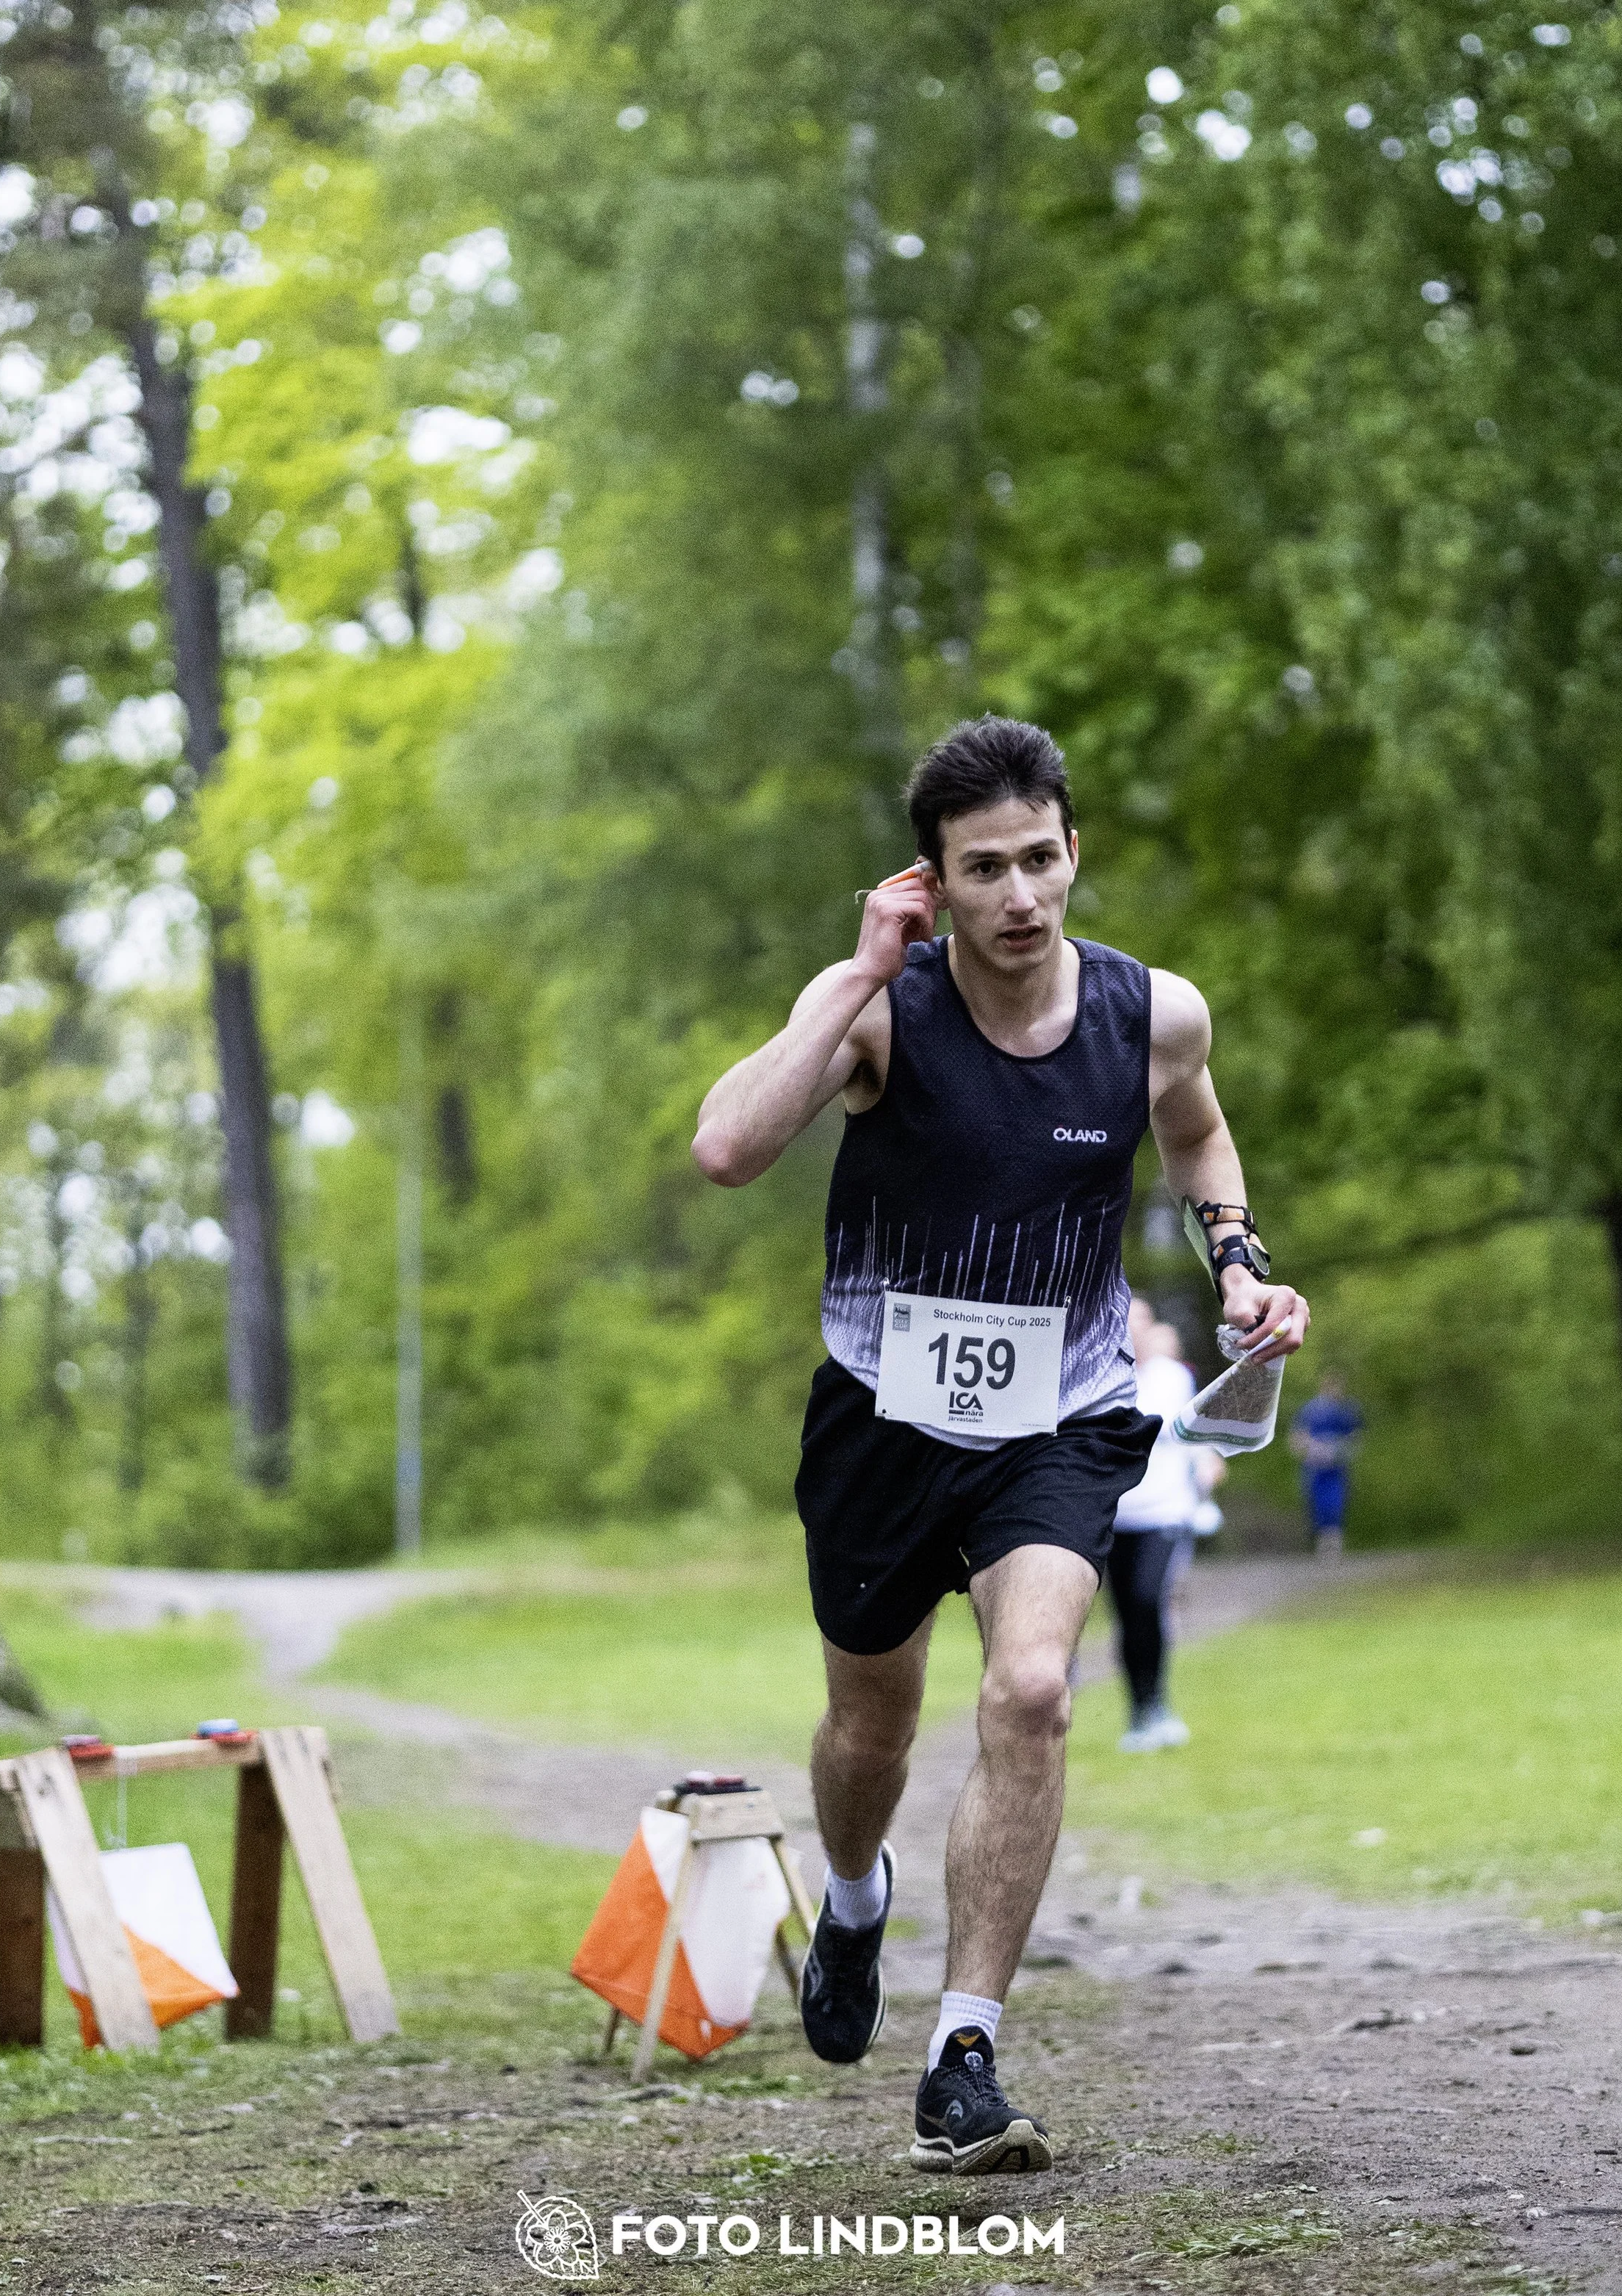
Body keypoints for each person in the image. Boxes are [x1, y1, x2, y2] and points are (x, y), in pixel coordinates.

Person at [691, 716, 1308, 2176]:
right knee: (870, 1728)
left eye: (1041, 858)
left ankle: (961, 2048)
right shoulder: (879, 1009)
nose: (1020, 895)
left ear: (1071, 851)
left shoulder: (1152, 1011)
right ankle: (852, 1898)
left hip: (1060, 1408)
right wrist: (853, 968)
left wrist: (1236, 1258)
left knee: (1029, 1689)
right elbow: (724, 1147)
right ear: (933, 882)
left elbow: (1198, 1132)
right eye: (985, 869)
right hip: (881, 1417)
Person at [1106, 1300, 1223, 1752]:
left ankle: (1157, 1704)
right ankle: (1139, 1711)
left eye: (1141, 1324)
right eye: (1125, 1324)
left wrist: (1208, 1462)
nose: (1133, 1333)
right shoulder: (1102, 1379)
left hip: (1167, 1512)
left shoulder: (1174, 1378)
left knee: (1148, 1599)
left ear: (1152, 1330)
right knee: (1126, 1615)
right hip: (1117, 1516)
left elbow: (1195, 1433)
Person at [1289, 1370, 1363, 1556]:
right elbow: (1297, 1436)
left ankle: (1333, 1541)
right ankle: (1320, 1540)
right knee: (1315, 1502)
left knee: (1336, 1502)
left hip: (1336, 1465)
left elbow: (1356, 1436)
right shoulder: (1311, 1409)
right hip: (1314, 1464)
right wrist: (1309, 1449)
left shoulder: (1346, 1410)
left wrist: (1341, 1450)